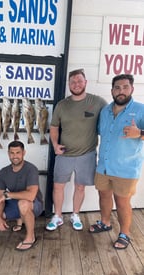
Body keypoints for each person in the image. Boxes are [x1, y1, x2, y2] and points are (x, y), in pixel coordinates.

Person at [46, 68, 107, 231]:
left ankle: (75, 214)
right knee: (58, 186)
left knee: (80, 186)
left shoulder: (98, 102)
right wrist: (54, 145)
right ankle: (58, 216)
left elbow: (110, 118)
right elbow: (54, 127)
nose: (76, 84)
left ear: (85, 82)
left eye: (79, 81)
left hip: (87, 154)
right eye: (73, 82)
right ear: (69, 85)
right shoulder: (62, 105)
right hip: (64, 154)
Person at [89, 74, 144, 249]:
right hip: (104, 166)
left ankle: (125, 233)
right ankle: (105, 222)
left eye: (125, 87)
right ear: (112, 90)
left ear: (132, 89)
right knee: (103, 195)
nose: (121, 91)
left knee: (122, 201)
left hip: (126, 168)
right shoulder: (105, 111)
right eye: (117, 88)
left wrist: (140, 133)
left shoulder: (141, 109)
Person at [0, 140, 43, 251]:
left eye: (18, 152)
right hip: (15, 202)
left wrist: (8, 195)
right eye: (12, 153)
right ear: (8, 153)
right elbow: (0, 197)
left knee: (23, 203)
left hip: (34, 204)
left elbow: (30, 196)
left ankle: (30, 237)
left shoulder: (31, 169)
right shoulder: (4, 172)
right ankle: (19, 218)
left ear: (23, 153)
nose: (15, 156)